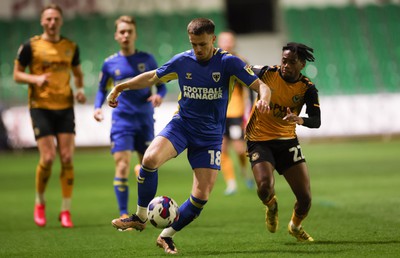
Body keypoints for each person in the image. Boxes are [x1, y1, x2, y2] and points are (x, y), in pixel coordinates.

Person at [107, 18, 271, 254]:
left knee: (201, 195)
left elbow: (262, 86)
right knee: (149, 159)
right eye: (194, 44)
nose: (198, 50)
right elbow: (152, 77)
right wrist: (120, 87)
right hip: (182, 126)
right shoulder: (183, 61)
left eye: (202, 44)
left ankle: (166, 236)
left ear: (213, 40)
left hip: (210, 137)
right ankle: (140, 216)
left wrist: (264, 100)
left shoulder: (229, 63)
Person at [13, 3, 86, 228]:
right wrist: (35, 79)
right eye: (48, 19)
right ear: (42, 21)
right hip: (40, 106)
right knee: (47, 158)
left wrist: (80, 90)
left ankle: (65, 210)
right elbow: (16, 74)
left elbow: (78, 74)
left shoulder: (71, 47)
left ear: (61, 21)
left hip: (64, 107)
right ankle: (40, 202)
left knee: (66, 158)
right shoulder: (30, 46)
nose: (52, 23)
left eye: (56, 19)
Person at [246, 42, 321, 242]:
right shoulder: (266, 73)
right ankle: (271, 206)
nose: (286, 65)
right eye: (284, 61)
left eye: (292, 62)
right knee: (264, 186)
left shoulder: (307, 88)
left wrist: (300, 120)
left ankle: (295, 227)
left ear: (302, 64)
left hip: (287, 142)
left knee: (305, 199)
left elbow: (317, 120)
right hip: (259, 140)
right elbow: (240, 70)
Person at [93, 15, 167, 219]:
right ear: (117, 35)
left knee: (148, 166)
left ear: (135, 34)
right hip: (122, 120)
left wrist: (158, 96)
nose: (126, 35)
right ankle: (124, 214)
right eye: (122, 32)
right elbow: (101, 89)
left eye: (129, 32)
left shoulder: (148, 59)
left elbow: (162, 86)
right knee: (122, 165)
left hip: (144, 119)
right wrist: (97, 107)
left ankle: (145, 213)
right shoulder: (109, 64)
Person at [217, 31, 254, 195]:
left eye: (229, 41)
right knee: (222, 148)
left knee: (240, 149)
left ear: (233, 43)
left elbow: (252, 86)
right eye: (224, 41)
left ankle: (244, 172)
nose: (227, 44)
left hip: (236, 113)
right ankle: (231, 183)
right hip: (219, 113)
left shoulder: (241, 62)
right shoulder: (214, 61)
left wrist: (252, 110)